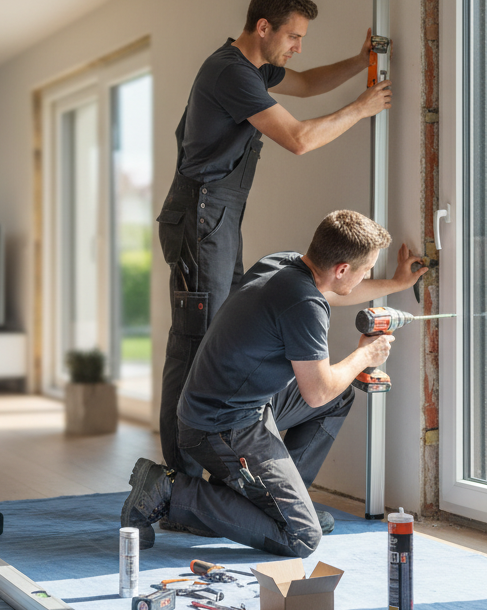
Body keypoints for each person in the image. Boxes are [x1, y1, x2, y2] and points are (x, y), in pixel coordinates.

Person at [156, 0, 394, 474]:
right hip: (201, 216)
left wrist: (359, 62)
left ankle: (212, 461)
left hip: (217, 216)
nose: (298, 47)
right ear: (263, 27)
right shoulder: (230, 72)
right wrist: (361, 107)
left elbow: (305, 83)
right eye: (293, 36)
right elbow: (299, 139)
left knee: (216, 336)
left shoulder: (253, 69)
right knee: (196, 339)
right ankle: (179, 477)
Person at [124, 211, 428, 557]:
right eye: (366, 269)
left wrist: (397, 284)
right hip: (220, 426)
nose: (367, 275)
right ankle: (167, 490)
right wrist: (365, 355)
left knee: (339, 398)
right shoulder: (305, 304)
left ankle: (278, 504)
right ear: (342, 269)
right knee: (302, 537)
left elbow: (337, 294)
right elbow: (317, 393)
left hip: (228, 404)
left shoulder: (284, 264)